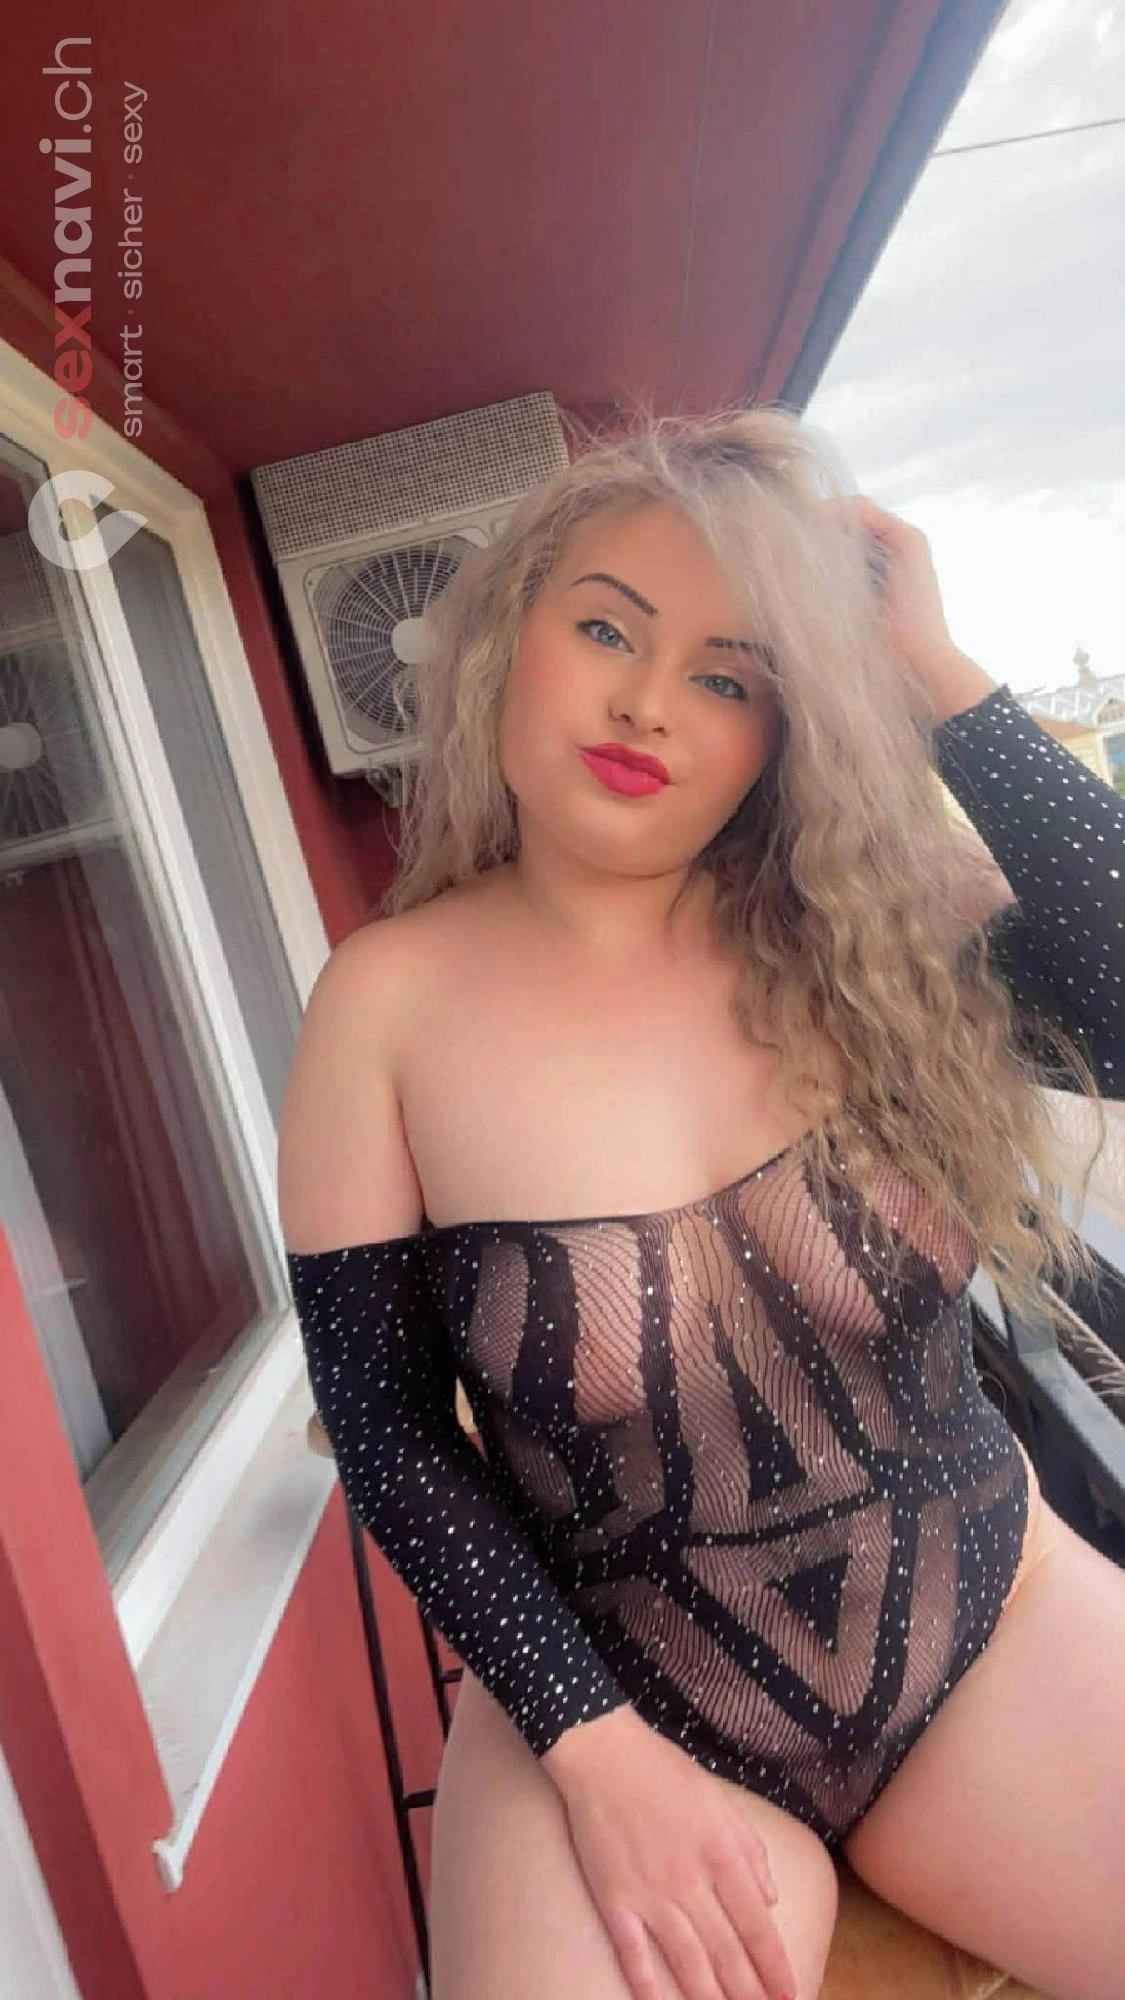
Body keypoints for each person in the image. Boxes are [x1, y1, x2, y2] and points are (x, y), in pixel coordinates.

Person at [278, 405, 1125, 2000]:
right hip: (616, 1700)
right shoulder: (384, 1006)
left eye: (730, 676)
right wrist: (595, 1756)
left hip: (987, 1627)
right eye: (608, 628)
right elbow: (386, 1430)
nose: (650, 702)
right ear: (508, 640)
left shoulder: (864, 935)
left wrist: (939, 675)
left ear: (781, 727)